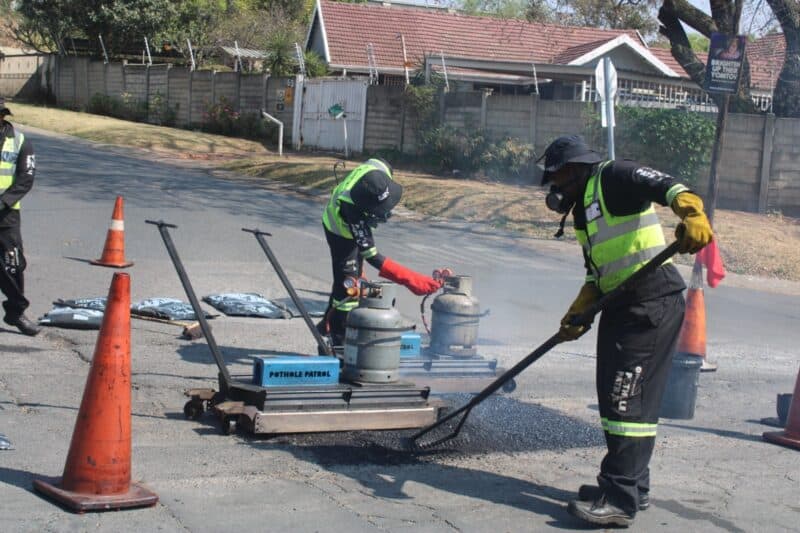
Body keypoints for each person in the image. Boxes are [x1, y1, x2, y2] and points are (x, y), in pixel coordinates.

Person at [538, 135, 713, 527]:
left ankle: (619, 499)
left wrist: (691, 213)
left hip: (650, 302)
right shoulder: (584, 212)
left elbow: (667, 185)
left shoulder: (612, 175)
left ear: (576, 168)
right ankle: (632, 484)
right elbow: (599, 272)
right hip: (622, 304)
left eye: (558, 178)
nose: (555, 189)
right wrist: (579, 311)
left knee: (626, 402)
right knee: (617, 397)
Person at [318, 158, 440, 347]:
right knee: (348, 288)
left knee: (358, 283)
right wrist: (412, 280)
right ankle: (337, 341)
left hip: (352, 223)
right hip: (340, 233)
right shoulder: (352, 211)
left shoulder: (377, 168)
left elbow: (383, 166)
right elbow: (372, 256)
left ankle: (326, 325)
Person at [0, 98, 39, 337]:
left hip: (6, 215)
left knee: (13, 265)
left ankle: (16, 312)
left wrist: (3, 201)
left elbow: (26, 178)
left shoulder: (21, 142)